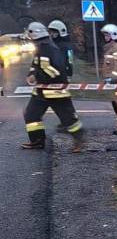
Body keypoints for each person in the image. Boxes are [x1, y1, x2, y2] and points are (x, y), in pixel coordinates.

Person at [21, 21, 83, 151]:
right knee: (31, 115)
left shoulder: (50, 48)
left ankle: (79, 140)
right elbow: (36, 65)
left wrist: (37, 76)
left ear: (35, 34)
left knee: (68, 119)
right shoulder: (40, 47)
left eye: (30, 35)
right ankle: (37, 141)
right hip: (41, 91)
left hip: (56, 91)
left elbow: (56, 70)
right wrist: (31, 74)